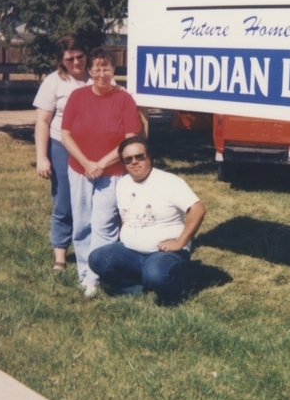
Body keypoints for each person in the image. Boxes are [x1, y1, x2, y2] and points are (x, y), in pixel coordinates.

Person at [61, 47, 142, 297]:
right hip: (79, 169)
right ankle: (85, 275)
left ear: (113, 70)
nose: (101, 73)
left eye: (106, 68)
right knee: (82, 223)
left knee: (104, 224)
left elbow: (130, 140)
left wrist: (100, 164)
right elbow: (65, 134)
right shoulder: (77, 97)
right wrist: (86, 163)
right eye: (96, 68)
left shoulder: (124, 99)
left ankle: (96, 276)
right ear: (89, 70)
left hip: (113, 172)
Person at [88, 136, 207, 304]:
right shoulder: (123, 184)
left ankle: (175, 290)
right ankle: (137, 288)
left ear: (150, 157)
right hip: (130, 250)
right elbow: (126, 215)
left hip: (164, 252)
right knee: (97, 258)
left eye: (139, 157)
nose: (134, 162)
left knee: (156, 274)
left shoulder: (169, 181)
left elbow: (198, 209)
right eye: (128, 159)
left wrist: (180, 243)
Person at [33, 34, 89, 272]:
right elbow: (42, 122)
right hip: (60, 146)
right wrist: (42, 157)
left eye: (79, 57)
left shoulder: (97, 77)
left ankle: (92, 250)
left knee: (92, 201)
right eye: (69, 59)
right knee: (64, 201)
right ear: (61, 60)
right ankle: (61, 255)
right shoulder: (54, 81)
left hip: (92, 150)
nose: (76, 63)